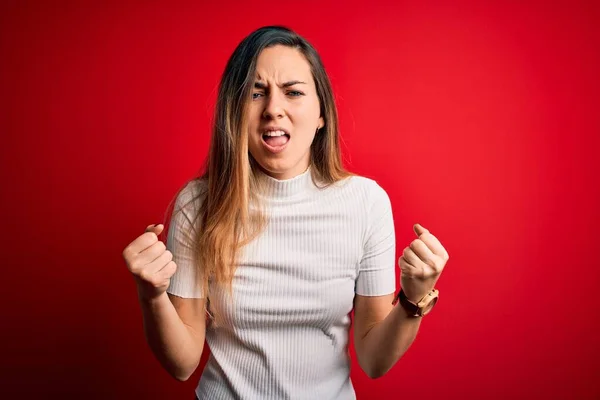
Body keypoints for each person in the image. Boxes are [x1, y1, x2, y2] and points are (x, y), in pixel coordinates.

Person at [122, 25, 449, 400]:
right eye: (255, 93)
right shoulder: (198, 204)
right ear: (234, 112)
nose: (273, 109)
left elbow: (374, 360)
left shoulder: (366, 202)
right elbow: (181, 364)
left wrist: (414, 297)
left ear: (322, 113)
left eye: (292, 92)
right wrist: (152, 295)